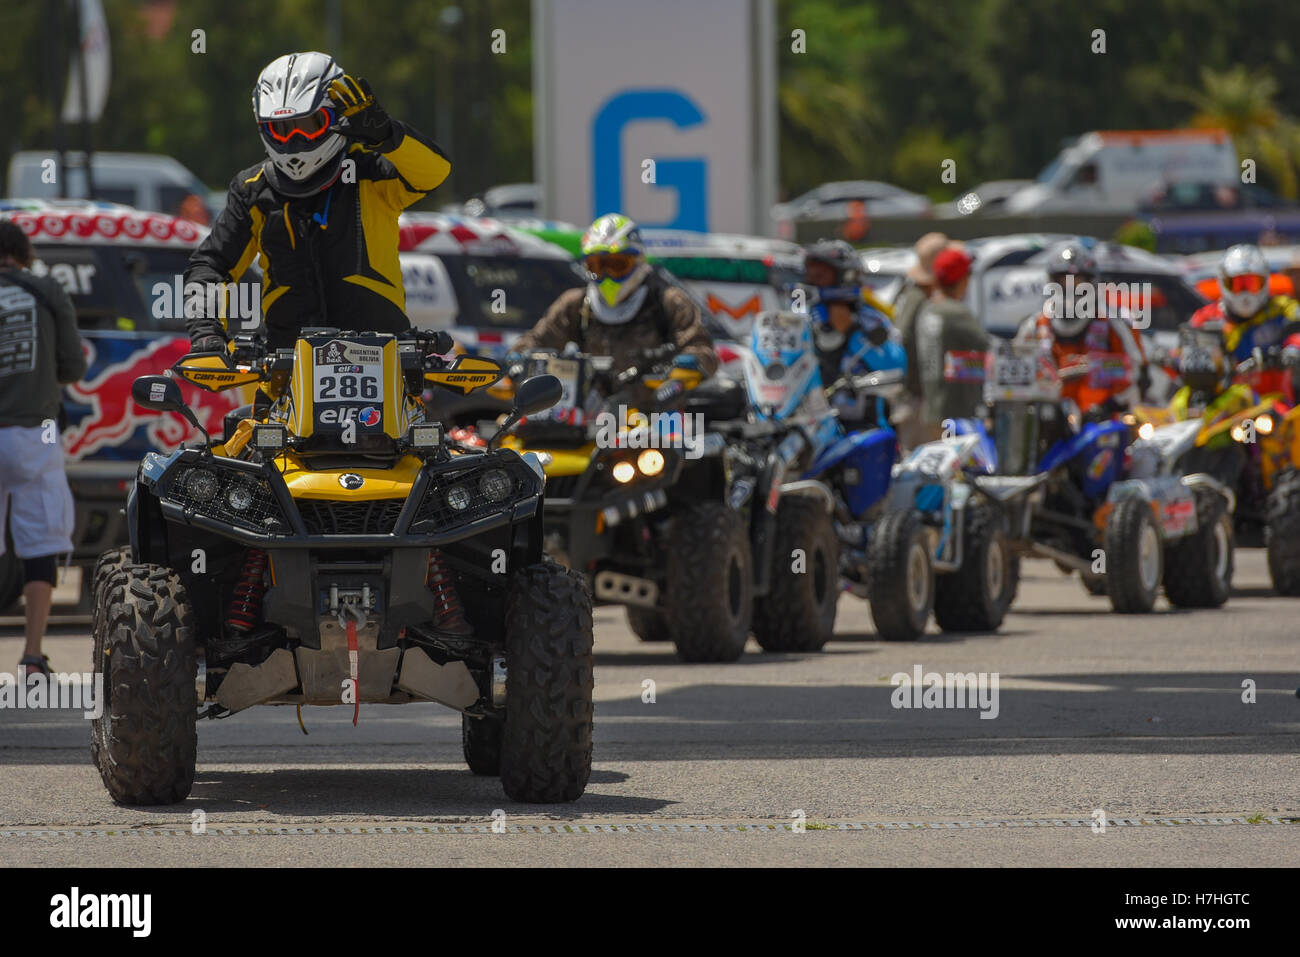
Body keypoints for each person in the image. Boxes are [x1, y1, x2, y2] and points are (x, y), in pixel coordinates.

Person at [184, 52, 451, 352]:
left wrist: (387, 134)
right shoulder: (252, 189)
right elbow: (210, 265)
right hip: (285, 368)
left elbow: (434, 173)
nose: (294, 140)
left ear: (336, 117)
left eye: (310, 124)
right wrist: (206, 333)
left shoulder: (370, 169)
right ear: (263, 127)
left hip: (383, 361)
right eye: (281, 129)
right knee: (250, 403)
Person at [0, 220, 87, 678]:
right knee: (41, 543)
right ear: (23, 253)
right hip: (36, 435)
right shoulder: (46, 290)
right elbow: (72, 367)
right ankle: (32, 656)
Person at [510, 214, 718, 376]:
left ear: (639, 261)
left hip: (655, 418)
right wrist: (518, 359)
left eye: (618, 265)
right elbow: (534, 341)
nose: (608, 277)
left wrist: (689, 365)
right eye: (598, 266)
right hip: (589, 415)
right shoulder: (575, 304)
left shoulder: (669, 301)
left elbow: (702, 351)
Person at [1020, 242, 1148, 418]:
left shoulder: (1114, 322)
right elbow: (1017, 372)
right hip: (1049, 421)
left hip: (1102, 422)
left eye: (1078, 281)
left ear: (1091, 283)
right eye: (1064, 281)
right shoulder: (1035, 325)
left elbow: (1137, 372)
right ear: (1053, 282)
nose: (1071, 288)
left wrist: (1112, 404)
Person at [797, 239, 906, 431]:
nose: (812, 280)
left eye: (821, 275)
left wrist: (851, 331)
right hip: (806, 425)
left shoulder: (871, 320)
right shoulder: (799, 317)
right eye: (811, 274)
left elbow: (896, 365)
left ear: (846, 276)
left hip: (860, 426)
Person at [1187, 243, 1300, 399]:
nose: (1245, 293)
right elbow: (1187, 354)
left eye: (1251, 284)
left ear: (1264, 282)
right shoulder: (1207, 317)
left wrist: (1292, 350)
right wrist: (1169, 358)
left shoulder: (1281, 309)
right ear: (1224, 283)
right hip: (1224, 402)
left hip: (1273, 402)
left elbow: (1296, 331)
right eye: (1239, 285)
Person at [913, 244, 989, 443]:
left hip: (931, 408)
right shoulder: (956, 312)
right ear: (962, 279)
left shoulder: (927, 309)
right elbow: (988, 346)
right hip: (957, 412)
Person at [891, 232, 948, 448]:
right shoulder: (918, 300)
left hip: (916, 398)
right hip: (917, 400)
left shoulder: (915, 296)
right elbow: (904, 341)